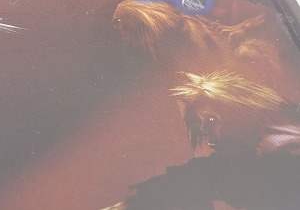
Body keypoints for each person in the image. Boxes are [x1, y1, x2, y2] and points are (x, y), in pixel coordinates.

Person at [105, 71, 300, 209]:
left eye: (211, 119)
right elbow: (191, 177)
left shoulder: (279, 150)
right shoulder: (239, 159)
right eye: (200, 123)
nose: (204, 130)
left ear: (240, 112)